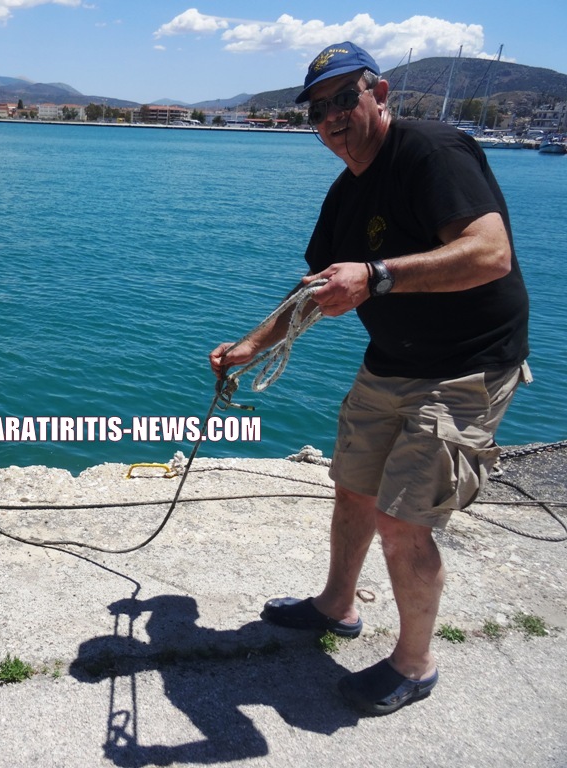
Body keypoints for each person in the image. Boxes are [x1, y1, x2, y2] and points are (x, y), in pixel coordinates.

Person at [209, 42, 530, 715]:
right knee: (353, 486)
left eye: (343, 98)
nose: (330, 117)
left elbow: (491, 253)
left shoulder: (432, 152)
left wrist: (378, 276)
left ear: (378, 94)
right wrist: (249, 346)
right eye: (317, 109)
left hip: (467, 366)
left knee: (402, 519)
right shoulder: (344, 196)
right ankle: (336, 606)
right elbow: (314, 293)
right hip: (393, 361)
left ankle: (414, 665)